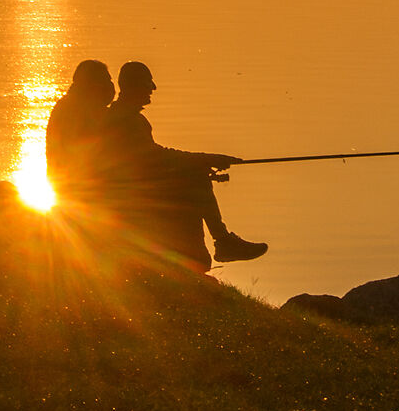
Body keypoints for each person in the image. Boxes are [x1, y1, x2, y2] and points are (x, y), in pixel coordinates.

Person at [94, 60, 268, 270]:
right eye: (149, 82)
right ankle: (222, 242)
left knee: (196, 174)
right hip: (129, 194)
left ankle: (221, 242)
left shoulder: (126, 117)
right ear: (135, 86)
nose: (153, 88)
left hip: (132, 187)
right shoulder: (126, 120)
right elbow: (155, 158)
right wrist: (205, 159)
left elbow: (152, 160)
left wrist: (200, 163)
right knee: (197, 180)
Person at [43, 59, 115, 204]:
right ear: (94, 85)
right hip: (79, 189)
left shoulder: (72, 105)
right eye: (107, 81)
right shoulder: (77, 110)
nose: (111, 86)